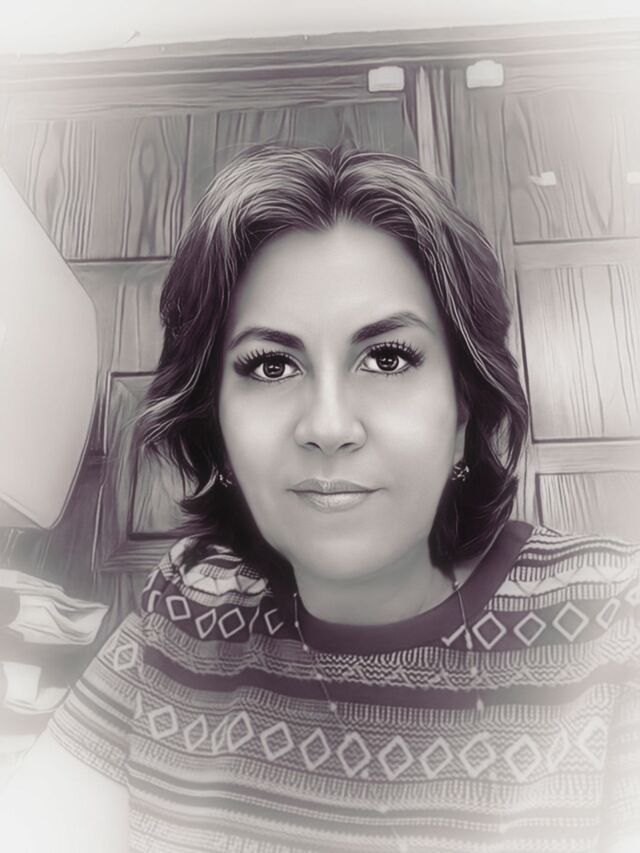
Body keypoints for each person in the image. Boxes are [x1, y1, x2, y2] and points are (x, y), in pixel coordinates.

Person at [1, 144, 638, 853]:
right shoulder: (186, 605)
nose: (329, 426)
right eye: (271, 365)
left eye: (388, 358)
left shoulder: (614, 618)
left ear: (463, 410)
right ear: (216, 423)